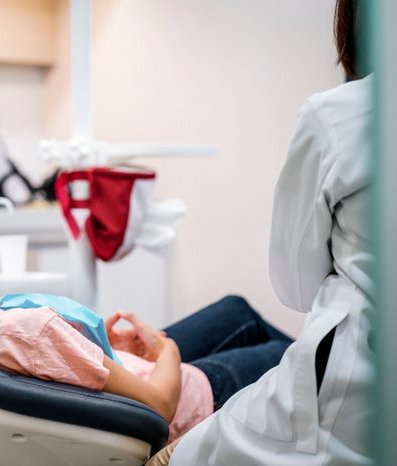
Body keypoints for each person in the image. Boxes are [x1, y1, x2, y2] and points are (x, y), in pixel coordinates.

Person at [0, 218, 291, 442]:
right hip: (182, 400)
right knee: (294, 353)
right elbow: (160, 408)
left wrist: (93, 348)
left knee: (234, 310)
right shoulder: (28, 333)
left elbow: (57, 363)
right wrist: (168, 349)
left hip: (113, 369)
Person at [151, 0, 373, 464]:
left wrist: (162, 353)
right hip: (339, 368)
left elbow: (297, 286)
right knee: (240, 315)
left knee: (247, 323)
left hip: (342, 393)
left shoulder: (342, 115)